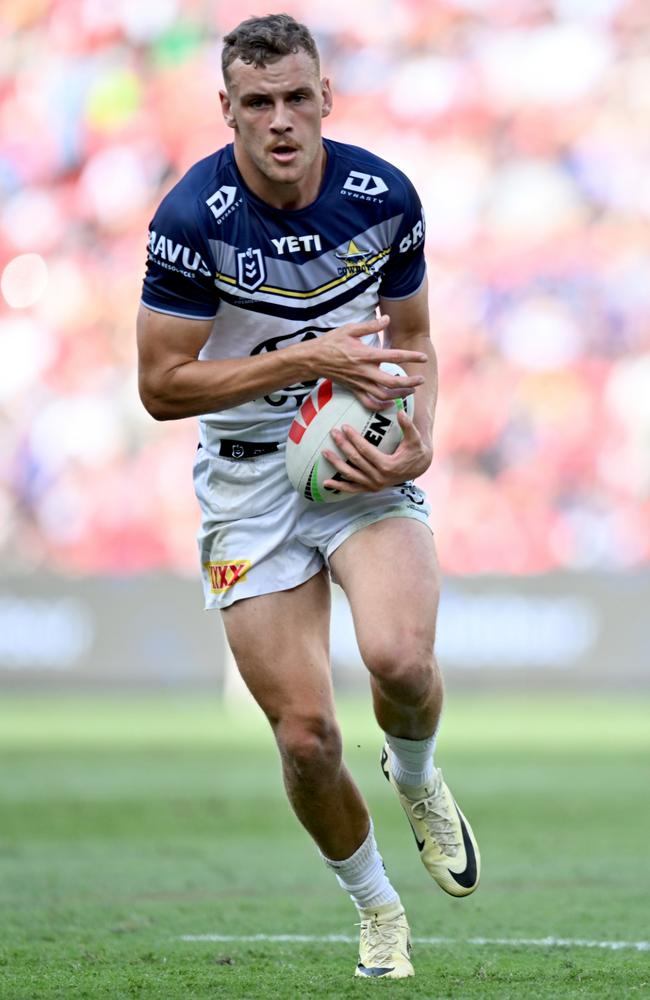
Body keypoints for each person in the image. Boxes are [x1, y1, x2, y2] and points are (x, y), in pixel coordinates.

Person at [137, 13, 480, 980]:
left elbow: (415, 341)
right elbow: (161, 387)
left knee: (402, 663)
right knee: (305, 735)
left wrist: (418, 441)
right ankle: (378, 910)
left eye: (297, 97)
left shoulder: (384, 197)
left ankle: (415, 777)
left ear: (327, 97)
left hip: (357, 464)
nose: (281, 121)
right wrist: (306, 358)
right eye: (258, 103)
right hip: (248, 479)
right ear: (227, 110)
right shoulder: (190, 219)